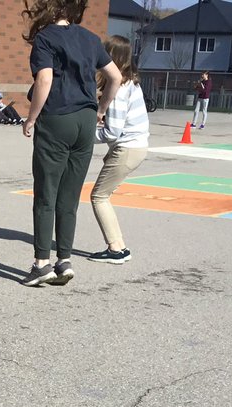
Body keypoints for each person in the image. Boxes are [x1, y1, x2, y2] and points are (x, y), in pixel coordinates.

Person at [20, 0, 121, 288]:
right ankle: (64, 259)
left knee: (46, 193)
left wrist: (31, 118)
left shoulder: (46, 38)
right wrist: (100, 109)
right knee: (69, 194)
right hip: (86, 121)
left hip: (57, 118)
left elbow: (44, 80)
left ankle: (41, 264)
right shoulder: (90, 38)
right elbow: (115, 76)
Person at [88, 35, 149, 264]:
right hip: (134, 146)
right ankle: (119, 247)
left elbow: (112, 133)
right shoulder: (131, 82)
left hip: (127, 149)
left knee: (99, 196)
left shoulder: (118, 89)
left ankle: (116, 249)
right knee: (105, 195)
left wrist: (86, 136)